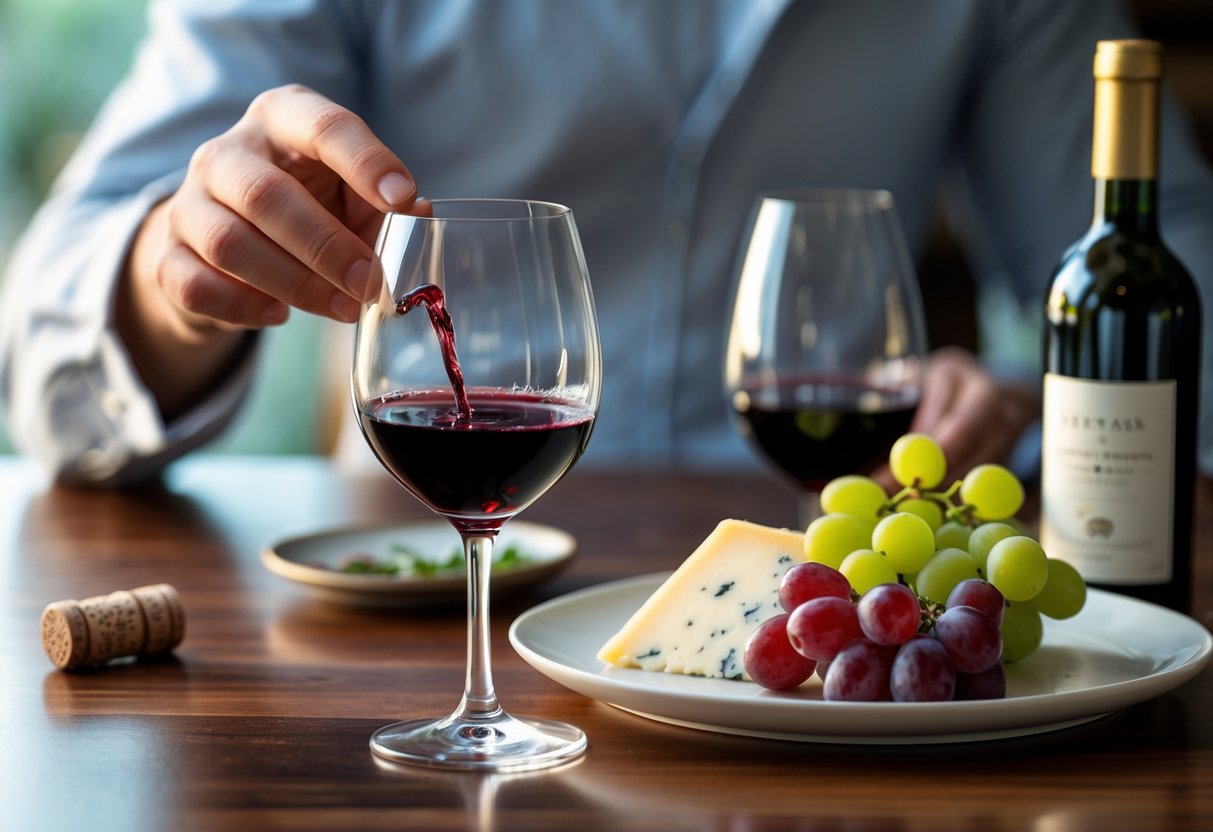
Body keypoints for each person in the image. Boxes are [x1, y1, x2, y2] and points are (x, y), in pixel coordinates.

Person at [1, 0, 1211, 488]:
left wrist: (1037, 412)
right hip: (425, 618)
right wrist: (175, 280)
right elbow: (40, 368)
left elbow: (1170, 281)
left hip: (819, 628)